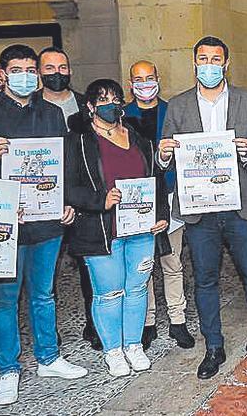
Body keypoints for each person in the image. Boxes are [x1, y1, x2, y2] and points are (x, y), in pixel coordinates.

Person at [0, 44, 88, 406]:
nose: (24, 75)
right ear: (2, 73)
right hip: (5, 223)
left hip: (47, 222)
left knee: (44, 293)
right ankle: (8, 369)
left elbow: (63, 164)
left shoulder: (52, 113)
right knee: (4, 299)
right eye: (16, 69)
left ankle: (49, 358)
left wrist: (69, 202)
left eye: (30, 69)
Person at [157, 36, 247, 379]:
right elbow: (164, 157)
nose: (209, 65)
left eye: (215, 59)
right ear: (195, 63)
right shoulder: (177, 106)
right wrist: (164, 155)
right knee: (205, 279)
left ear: (225, 64)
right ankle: (213, 346)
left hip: (241, 206)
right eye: (203, 59)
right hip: (200, 209)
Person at [63, 79, 172, 378]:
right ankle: (113, 350)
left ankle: (133, 345)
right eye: (102, 100)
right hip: (101, 231)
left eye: (115, 99)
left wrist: (161, 214)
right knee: (109, 293)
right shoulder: (78, 143)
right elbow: (67, 187)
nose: (110, 105)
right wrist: (100, 200)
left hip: (140, 230)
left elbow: (156, 180)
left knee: (136, 289)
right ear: (90, 107)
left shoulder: (140, 139)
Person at [121, 59, 195, 351]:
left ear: (158, 78)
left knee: (172, 261)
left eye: (149, 77)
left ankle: (178, 320)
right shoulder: (123, 116)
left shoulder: (172, 111)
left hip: (170, 194)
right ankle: (147, 321)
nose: (144, 83)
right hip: (136, 201)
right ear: (131, 84)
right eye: (138, 79)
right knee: (144, 264)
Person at [39, 47, 86, 125]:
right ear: (39, 72)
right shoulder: (29, 104)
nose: (57, 72)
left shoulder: (86, 103)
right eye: (49, 68)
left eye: (63, 67)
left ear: (70, 71)